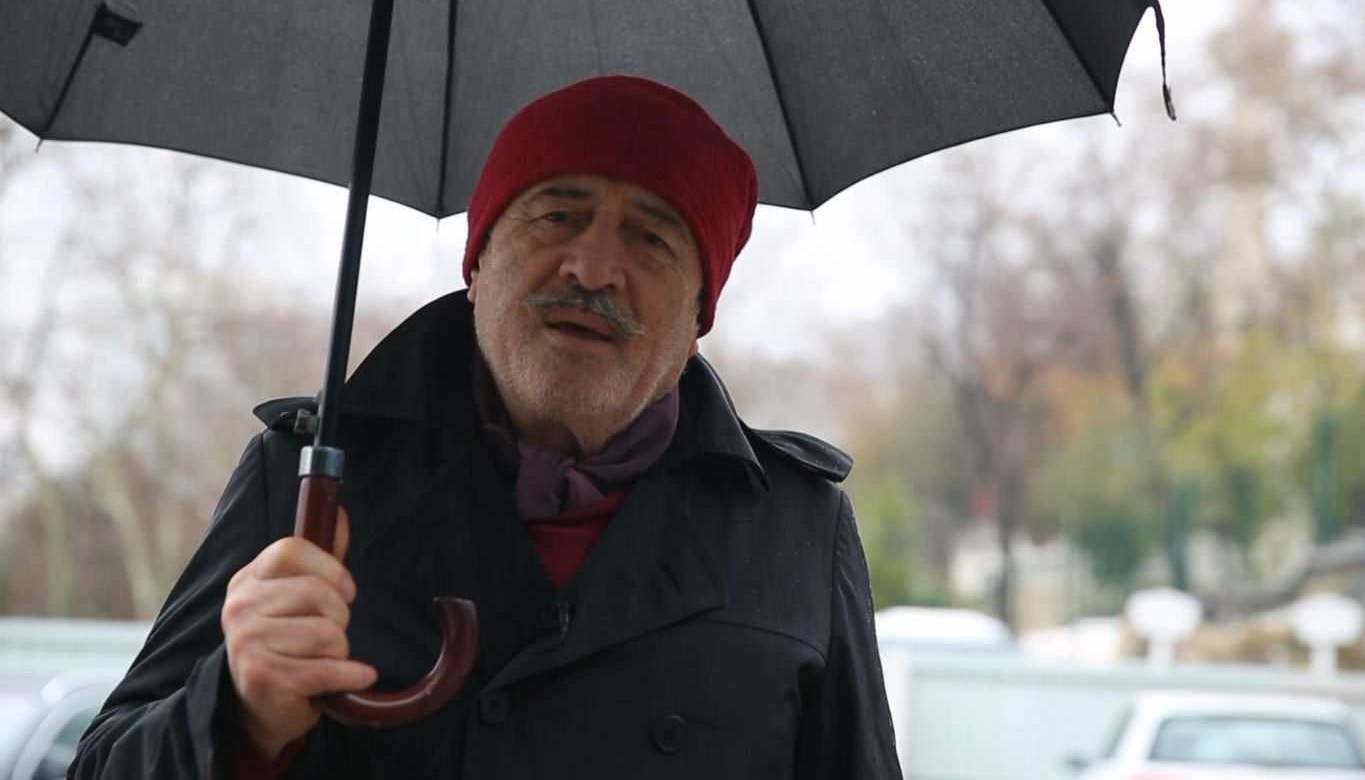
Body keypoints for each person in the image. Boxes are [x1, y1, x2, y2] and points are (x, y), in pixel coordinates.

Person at [69, 75, 902, 780]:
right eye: (557, 216)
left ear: (697, 319)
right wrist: (236, 711)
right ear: (477, 263)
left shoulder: (798, 528)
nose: (592, 267)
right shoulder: (300, 483)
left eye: (651, 238)